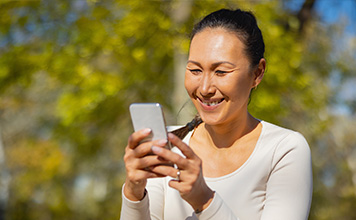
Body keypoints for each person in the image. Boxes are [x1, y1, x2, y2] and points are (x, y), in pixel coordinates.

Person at [120, 8, 313, 220]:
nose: (204, 88)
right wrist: (134, 193)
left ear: (257, 73)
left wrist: (205, 201)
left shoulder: (284, 149)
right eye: (195, 70)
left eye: (221, 72)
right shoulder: (168, 146)